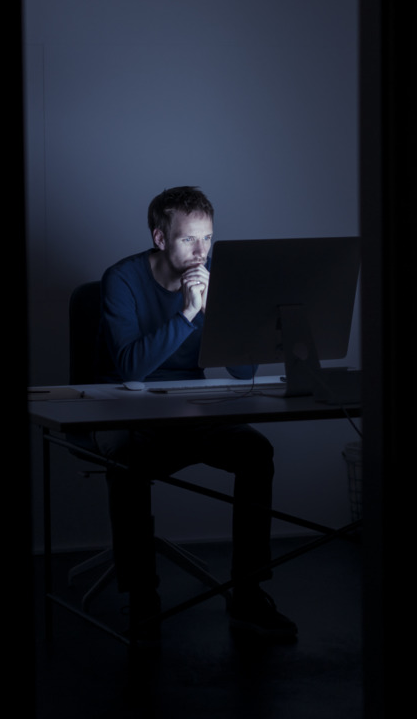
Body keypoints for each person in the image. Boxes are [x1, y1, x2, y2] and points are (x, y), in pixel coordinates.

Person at [92, 186, 297, 644]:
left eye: (208, 238)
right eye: (189, 239)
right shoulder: (121, 280)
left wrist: (237, 317)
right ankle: (142, 598)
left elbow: (243, 370)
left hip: (191, 409)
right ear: (161, 238)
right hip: (125, 410)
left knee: (255, 451)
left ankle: (248, 592)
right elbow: (130, 369)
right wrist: (186, 315)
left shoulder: (213, 278)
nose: (202, 251)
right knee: (125, 465)